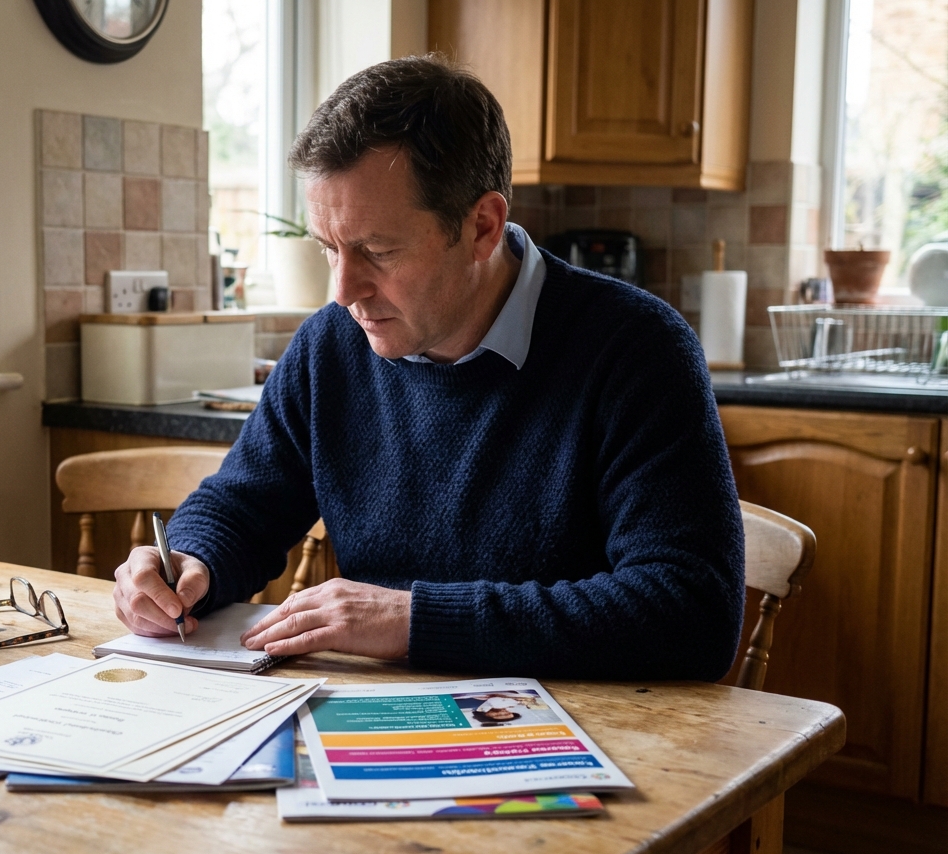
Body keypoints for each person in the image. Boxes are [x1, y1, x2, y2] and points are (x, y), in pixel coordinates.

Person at [112, 55, 745, 680]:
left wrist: (416, 620)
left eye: (378, 251)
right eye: (330, 249)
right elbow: (243, 507)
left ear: (483, 227)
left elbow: (691, 610)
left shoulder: (638, 350)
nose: (343, 290)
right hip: (372, 721)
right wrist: (189, 563)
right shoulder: (331, 345)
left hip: (581, 737)